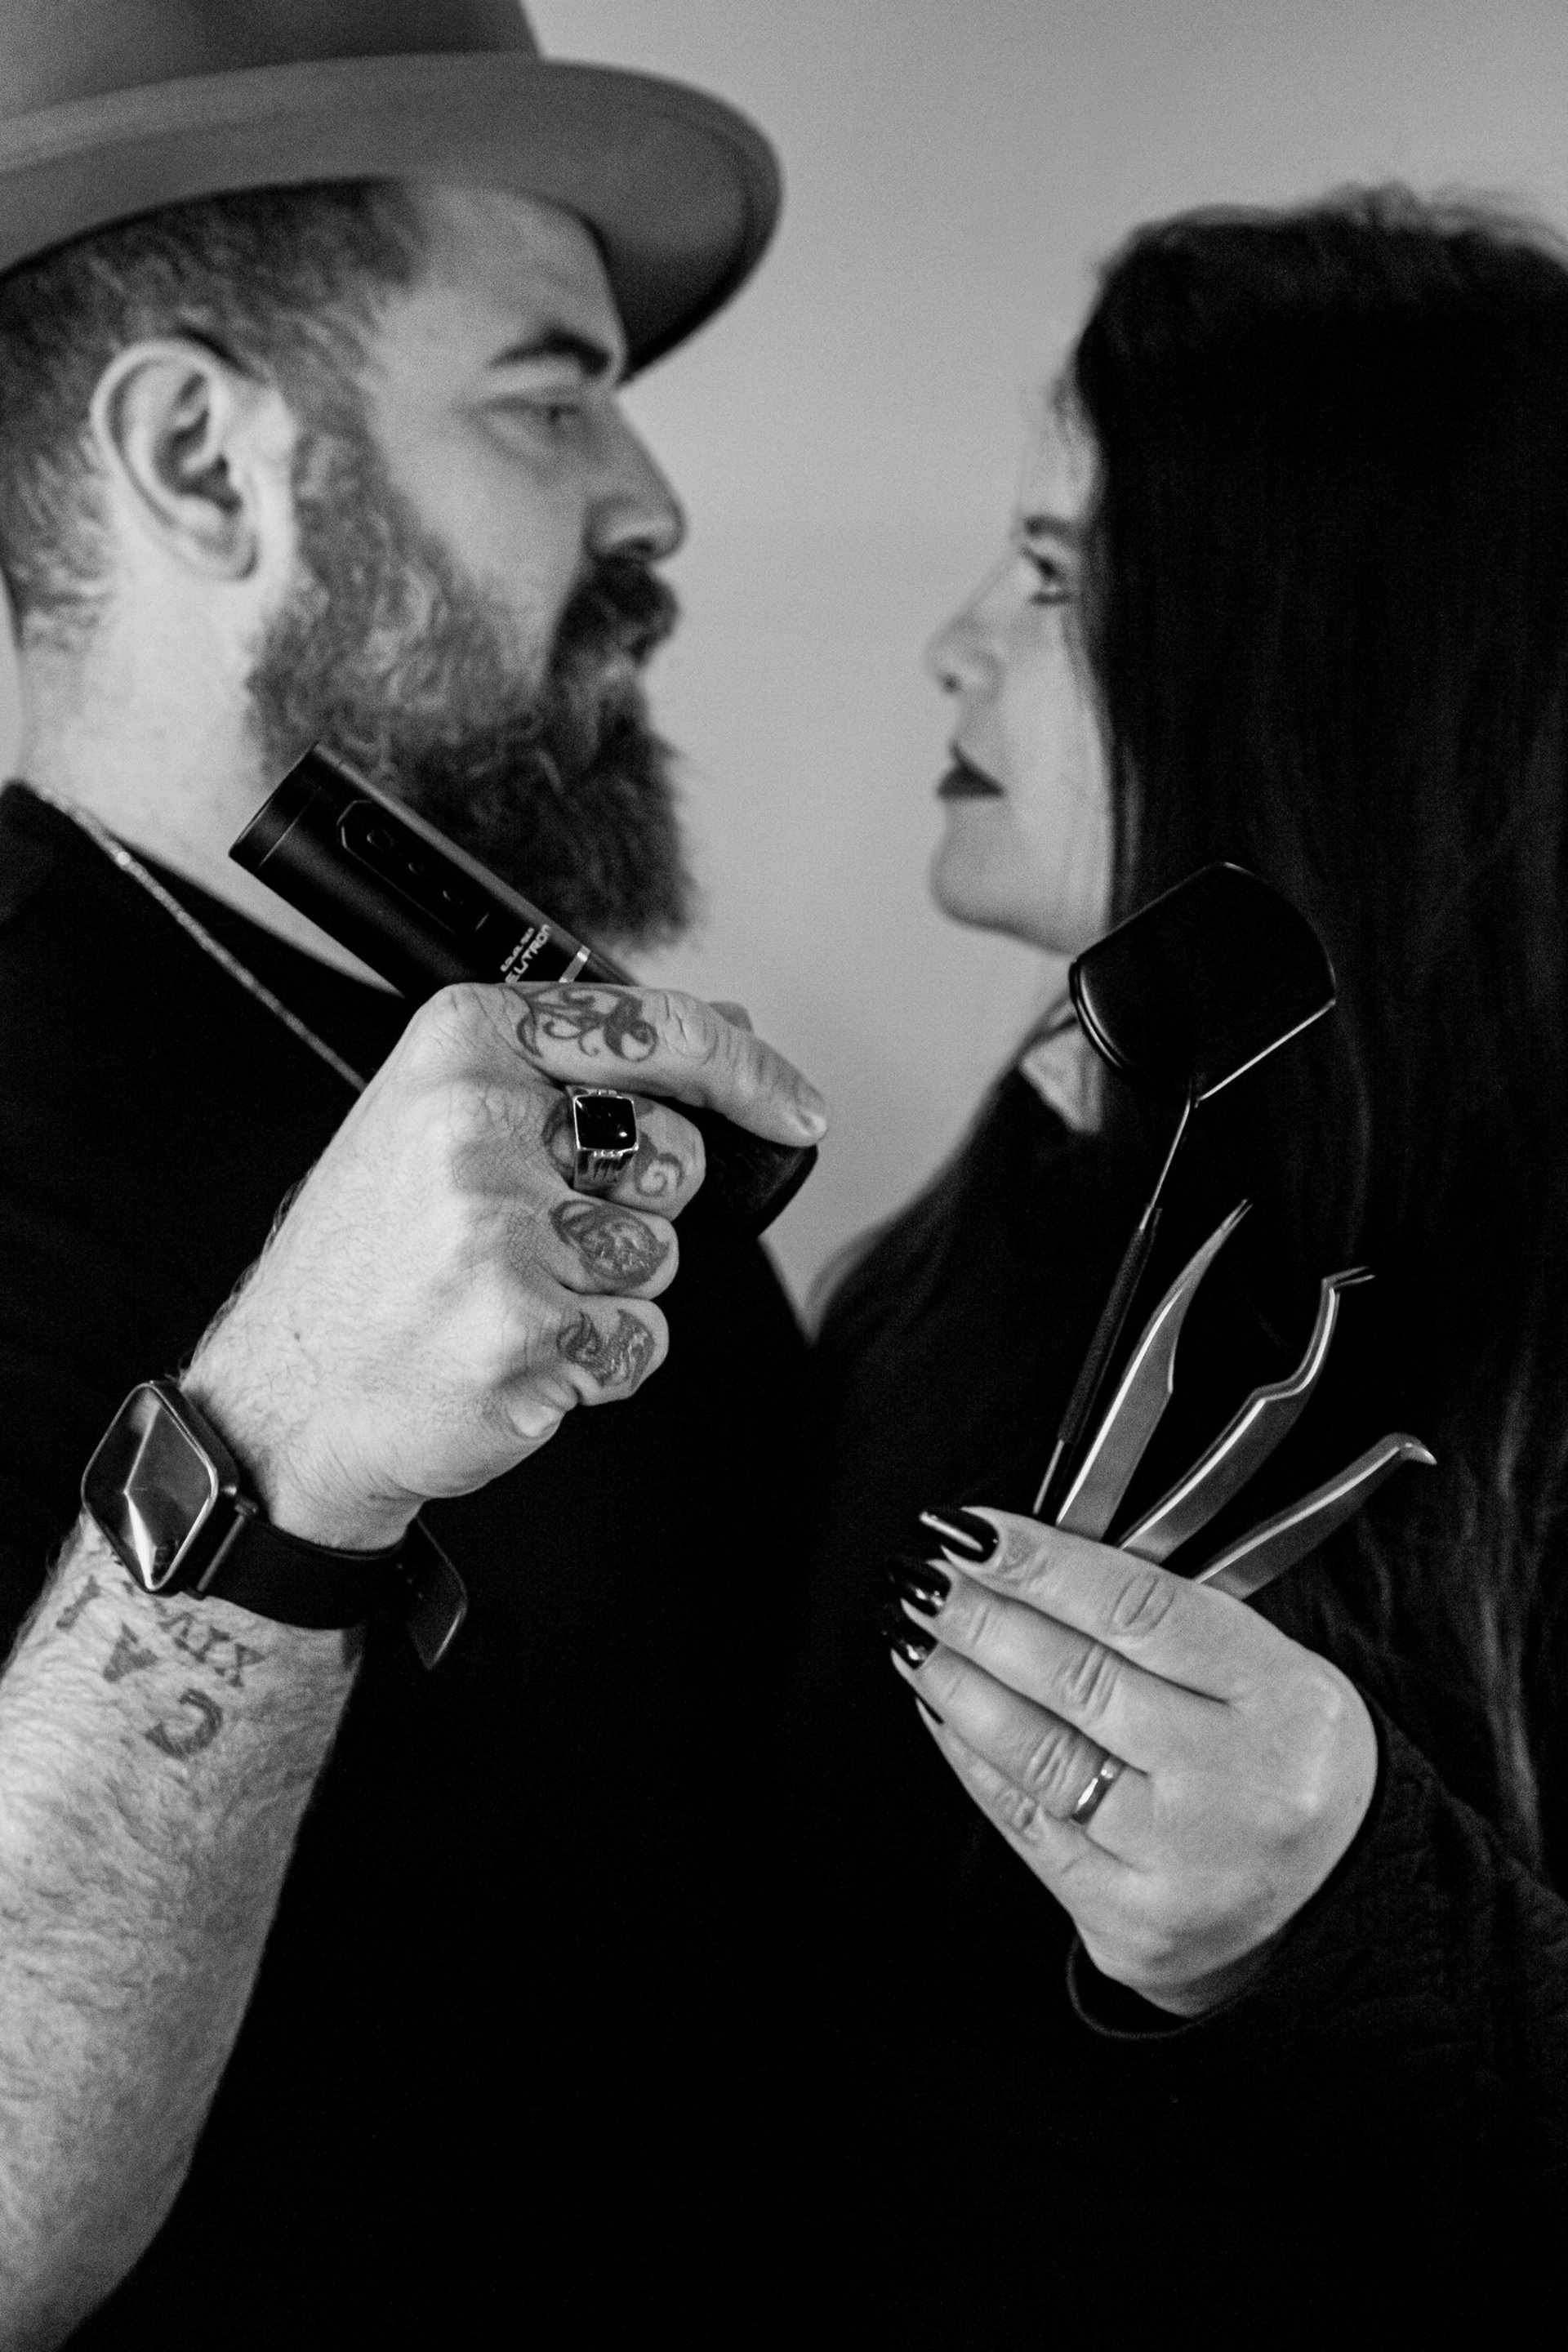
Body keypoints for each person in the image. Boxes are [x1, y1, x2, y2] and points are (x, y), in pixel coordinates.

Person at [0, 6, 829, 2342]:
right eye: (548, 393)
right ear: (201, 460)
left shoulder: (487, 1059)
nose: (652, 497)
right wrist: (271, 1453)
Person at [786, 188, 1568, 2341]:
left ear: (1312, 650)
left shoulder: (1521, 1352)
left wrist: (1354, 1923)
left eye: (1052, 569)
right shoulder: (1019, 1205)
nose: (955, 638)